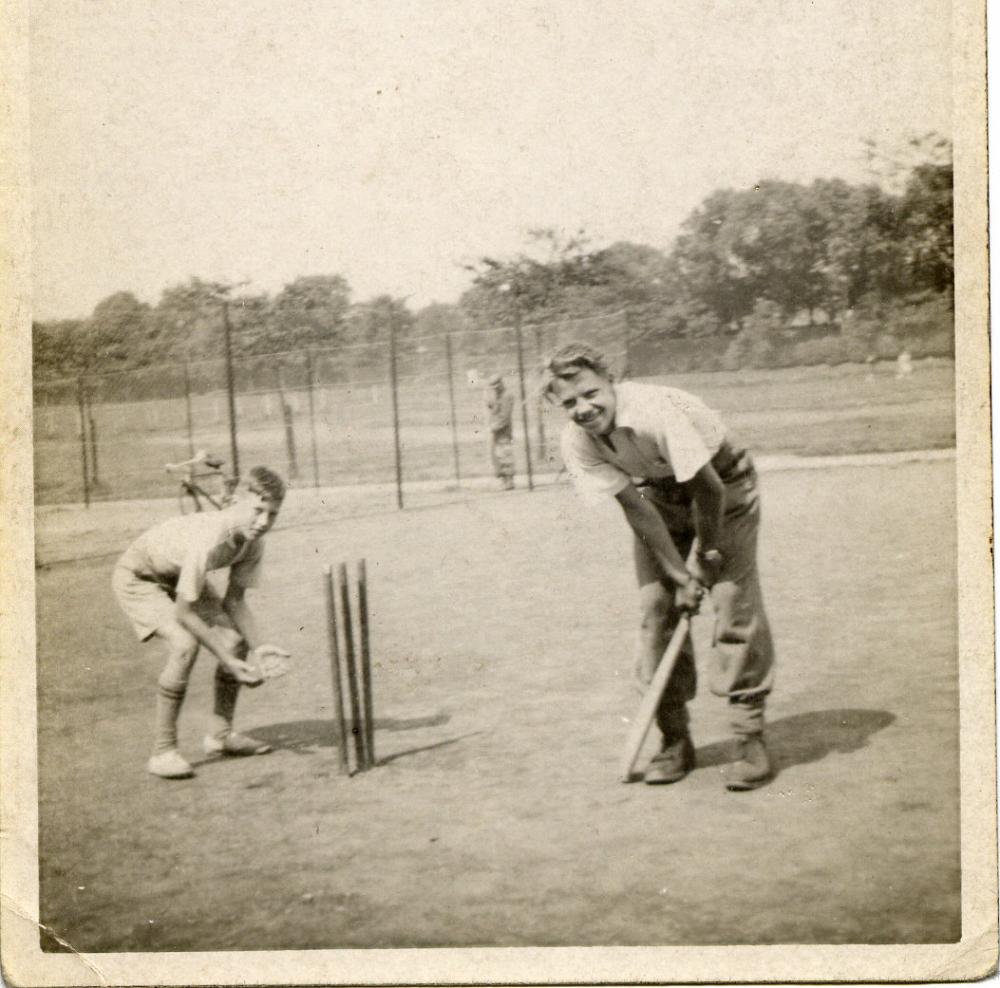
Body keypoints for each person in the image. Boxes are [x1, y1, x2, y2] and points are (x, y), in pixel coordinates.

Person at [541, 343, 775, 791]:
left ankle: (749, 736)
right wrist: (676, 574)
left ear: (610, 382)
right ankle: (674, 738)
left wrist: (707, 561)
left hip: (724, 485)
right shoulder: (577, 440)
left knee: (731, 600)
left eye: (590, 393)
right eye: (569, 403)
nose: (584, 409)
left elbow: (709, 492)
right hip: (659, 497)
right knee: (655, 608)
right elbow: (636, 507)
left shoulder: (652, 411)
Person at [112, 465, 290, 779]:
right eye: (258, 510)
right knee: (184, 644)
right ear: (237, 501)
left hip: (179, 576)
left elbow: (235, 601)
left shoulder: (254, 541)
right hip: (140, 577)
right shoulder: (211, 537)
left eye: (272, 514)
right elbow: (184, 613)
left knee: (236, 640)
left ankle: (220, 736)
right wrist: (228, 662)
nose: (263, 522)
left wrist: (259, 647)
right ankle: (162, 752)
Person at [485, 373, 516, 490]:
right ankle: (503, 481)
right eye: (493, 387)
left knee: (505, 455)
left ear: (501, 384)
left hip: (504, 431)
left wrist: (494, 427)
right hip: (496, 431)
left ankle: (509, 481)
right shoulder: (497, 396)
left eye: (496, 386)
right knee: (497, 456)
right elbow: (492, 408)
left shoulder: (507, 396)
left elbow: (505, 417)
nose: (495, 389)